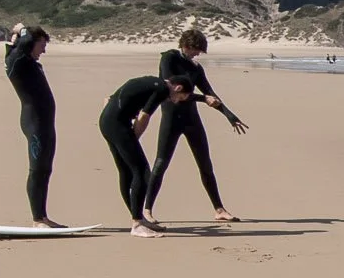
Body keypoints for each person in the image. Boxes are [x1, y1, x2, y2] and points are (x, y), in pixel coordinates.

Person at [145, 29, 247, 221]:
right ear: (185, 45)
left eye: (199, 50)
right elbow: (171, 88)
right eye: (195, 49)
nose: (197, 53)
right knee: (161, 163)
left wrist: (229, 115)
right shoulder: (169, 58)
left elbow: (210, 93)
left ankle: (219, 210)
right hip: (171, 117)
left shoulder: (196, 69)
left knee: (205, 164)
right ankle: (147, 210)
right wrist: (202, 98)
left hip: (191, 119)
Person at [98, 73, 192, 235]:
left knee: (126, 171)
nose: (176, 101)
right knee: (142, 171)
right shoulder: (162, 89)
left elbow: (108, 99)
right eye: (180, 97)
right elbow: (144, 115)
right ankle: (137, 224)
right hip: (118, 126)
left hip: (107, 122)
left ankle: (138, 218)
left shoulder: (149, 81)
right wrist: (133, 139)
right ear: (178, 88)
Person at [3, 24, 64, 226]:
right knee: (37, 169)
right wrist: (21, 30)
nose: (44, 51)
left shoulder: (27, 61)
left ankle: (43, 216)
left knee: (45, 169)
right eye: (42, 45)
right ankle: (37, 219)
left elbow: (26, 42)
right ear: (31, 43)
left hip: (44, 122)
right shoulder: (17, 60)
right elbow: (26, 39)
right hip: (34, 122)